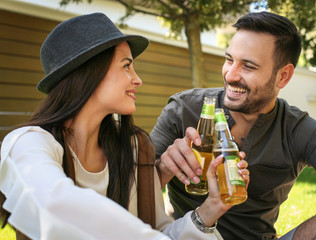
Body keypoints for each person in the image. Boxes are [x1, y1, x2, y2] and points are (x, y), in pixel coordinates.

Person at [0, 12, 250, 240]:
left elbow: (158, 231)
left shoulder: (132, 148)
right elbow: (53, 205)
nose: (137, 79)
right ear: (88, 72)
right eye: (126, 66)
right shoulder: (27, 143)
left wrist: (212, 206)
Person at [150, 11, 316, 240]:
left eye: (248, 66)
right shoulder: (184, 110)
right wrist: (162, 169)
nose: (230, 75)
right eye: (229, 59)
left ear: (283, 76)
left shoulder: (297, 129)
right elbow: (127, 192)